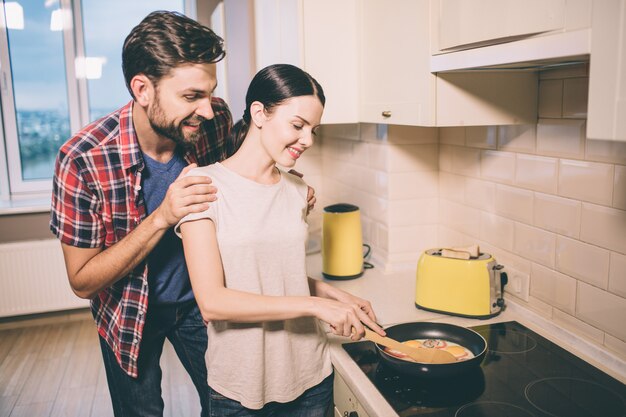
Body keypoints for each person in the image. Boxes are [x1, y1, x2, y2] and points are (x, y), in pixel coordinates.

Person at [51, 10, 247, 417]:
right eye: (191, 96)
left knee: (230, 404)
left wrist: (285, 184)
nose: (208, 110)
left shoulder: (214, 123)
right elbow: (83, 281)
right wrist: (162, 216)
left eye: (209, 93)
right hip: (126, 310)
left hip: (200, 301)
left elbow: (239, 184)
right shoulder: (82, 159)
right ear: (142, 89)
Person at [176, 64, 386, 417]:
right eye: (298, 125)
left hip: (310, 377)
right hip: (239, 387)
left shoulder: (298, 191)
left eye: (313, 130)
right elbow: (213, 301)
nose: (308, 140)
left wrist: (333, 294)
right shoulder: (203, 187)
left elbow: (271, 273)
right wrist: (317, 307)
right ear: (259, 113)